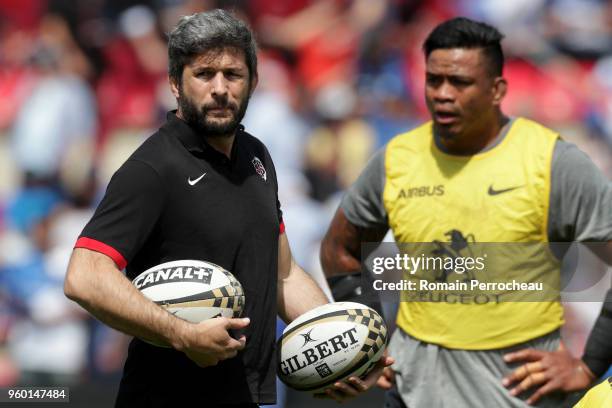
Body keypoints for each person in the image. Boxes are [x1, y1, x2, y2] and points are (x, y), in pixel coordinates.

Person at [64, 10, 390, 407]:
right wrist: (182, 333)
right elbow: (84, 276)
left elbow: (282, 273)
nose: (220, 88)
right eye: (204, 74)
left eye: (233, 75)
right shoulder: (152, 168)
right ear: (174, 84)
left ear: (253, 81)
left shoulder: (257, 157)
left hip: (249, 396)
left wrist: (344, 349)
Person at [320, 16, 612, 407]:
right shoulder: (397, 159)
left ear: (497, 90)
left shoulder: (552, 161)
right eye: (433, 80)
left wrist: (588, 365)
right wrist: (369, 344)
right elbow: (340, 249)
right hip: (413, 395)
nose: (443, 93)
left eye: (459, 82)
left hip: (519, 397)